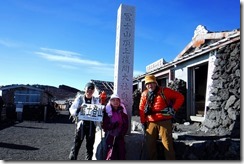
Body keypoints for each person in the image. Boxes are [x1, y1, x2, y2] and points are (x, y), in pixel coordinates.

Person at [139, 74, 184, 160]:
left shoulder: (164, 91)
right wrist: (143, 121)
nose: (150, 85)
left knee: (167, 144)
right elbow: (141, 108)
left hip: (165, 120)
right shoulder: (144, 94)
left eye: (152, 83)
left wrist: (173, 109)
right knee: (150, 144)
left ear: (155, 83)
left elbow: (180, 97)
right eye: (148, 83)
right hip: (151, 121)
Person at [68, 82, 99, 160]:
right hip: (81, 125)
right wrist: (77, 111)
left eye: (92, 89)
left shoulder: (95, 100)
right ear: (85, 89)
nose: (90, 91)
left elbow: (99, 110)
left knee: (90, 146)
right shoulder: (80, 98)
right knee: (76, 145)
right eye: (88, 89)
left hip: (91, 125)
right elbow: (72, 109)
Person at [102, 93, 128, 160]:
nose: (115, 102)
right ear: (110, 101)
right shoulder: (106, 111)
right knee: (111, 153)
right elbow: (104, 124)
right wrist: (112, 126)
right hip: (110, 135)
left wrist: (122, 132)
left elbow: (126, 123)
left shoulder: (122, 110)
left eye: (117, 100)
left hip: (120, 135)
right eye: (113, 100)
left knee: (121, 152)